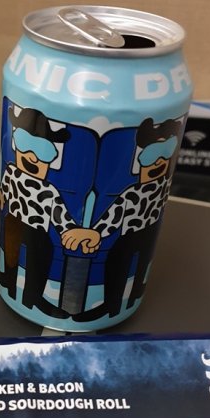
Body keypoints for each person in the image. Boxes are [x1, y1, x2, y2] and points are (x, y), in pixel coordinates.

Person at [73, 117, 182, 322]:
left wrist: (95, 233)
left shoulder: (154, 187)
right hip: (129, 234)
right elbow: (115, 215)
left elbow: (115, 215)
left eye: (163, 157)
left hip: (146, 231)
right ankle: (112, 305)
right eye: (151, 158)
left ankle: (124, 302)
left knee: (136, 268)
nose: (158, 163)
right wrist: (97, 233)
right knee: (117, 262)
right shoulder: (132, 192)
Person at [0, 106, 99, 318]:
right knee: (11, 252)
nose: (33, 158)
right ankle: (8, 280)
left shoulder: (49, 190)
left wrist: (71, 230)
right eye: (25, 146)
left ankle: (33, 296)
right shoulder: (11, 172)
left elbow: (59, 215)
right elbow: (5, 186)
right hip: (13, 220)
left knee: (43, 252)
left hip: (38, 229)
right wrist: (2, 195)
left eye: (42, 152)